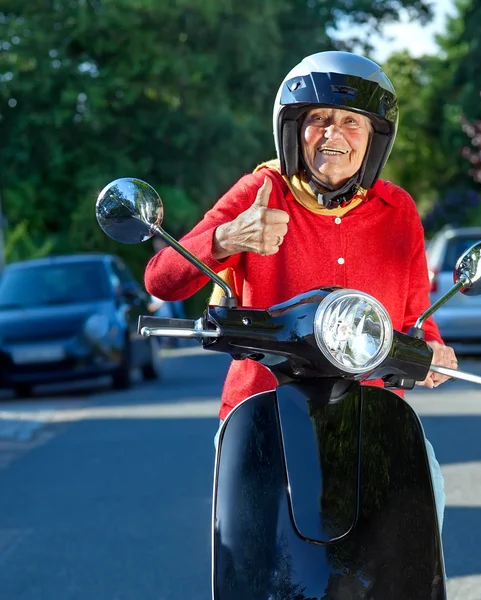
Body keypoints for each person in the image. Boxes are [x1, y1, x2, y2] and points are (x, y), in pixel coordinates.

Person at [144, 50, 458, 533]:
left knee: (421, 518)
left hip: (368, 412)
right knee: (246, 548)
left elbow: (416, 314)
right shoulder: (259, 191)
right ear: (293, 130)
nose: (334, 135)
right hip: (265, 407)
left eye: (352, 122)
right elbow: (161, 279)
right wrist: (228, 238)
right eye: (319, 120)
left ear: (375, 139)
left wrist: (432, 347)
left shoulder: (398, 210)